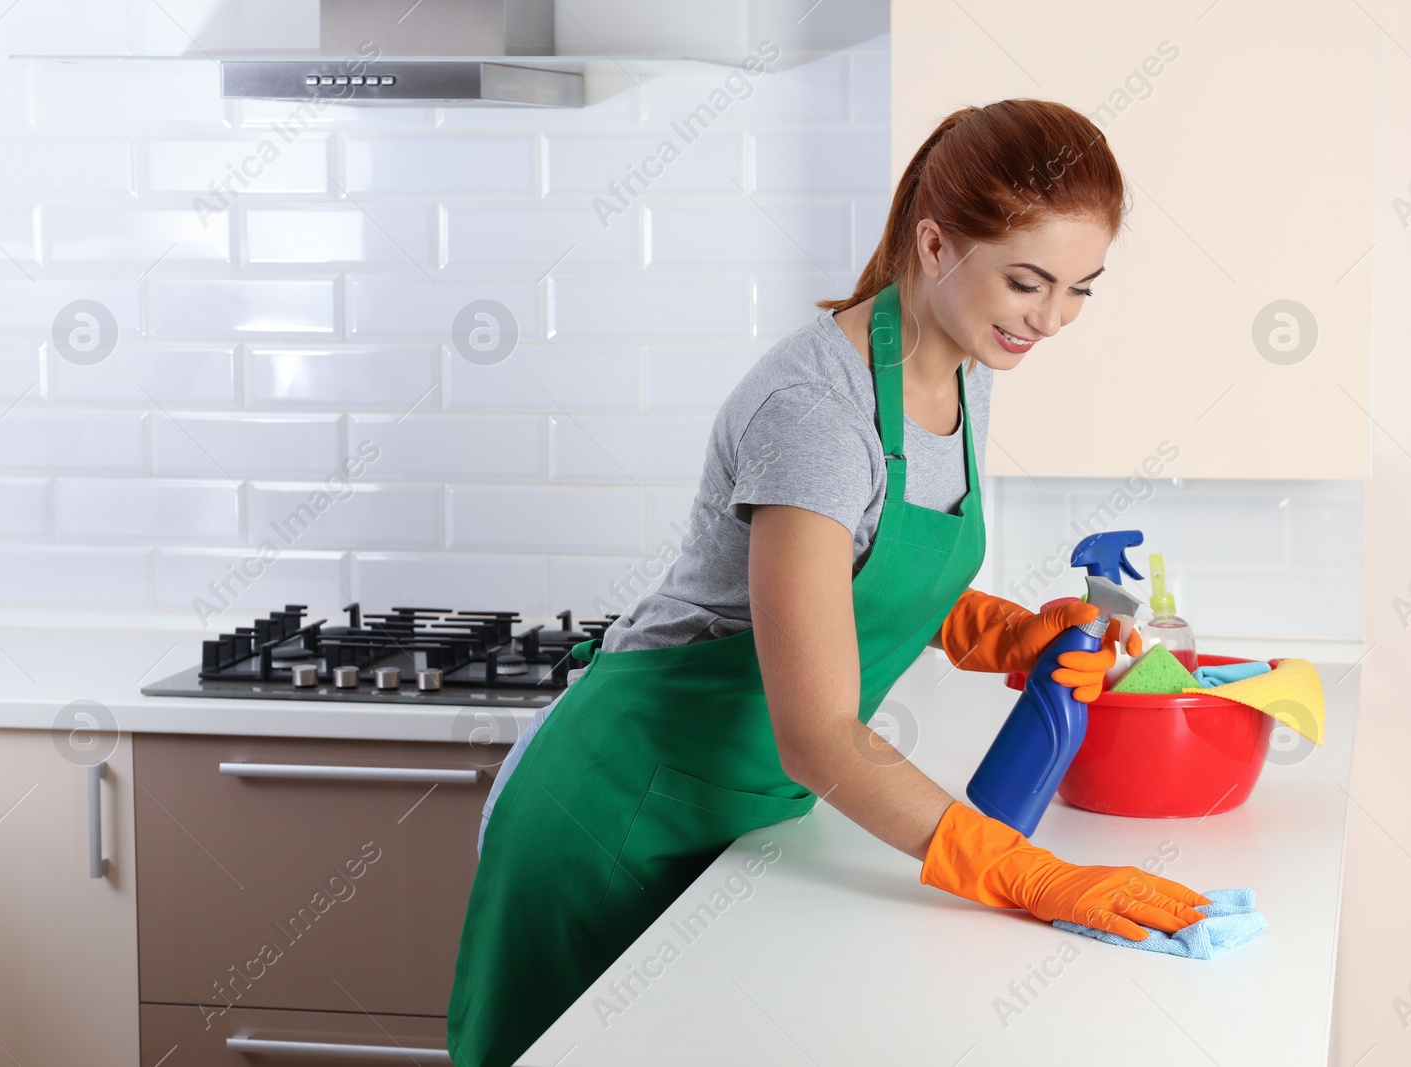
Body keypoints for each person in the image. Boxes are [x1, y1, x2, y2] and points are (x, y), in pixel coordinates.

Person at [447, 99, 1212, 1067]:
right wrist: (1025, 872)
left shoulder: (967, 365)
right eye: (1028, 282)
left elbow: (852, 574)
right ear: (935, 245)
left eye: (1080, 289)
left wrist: (996, 632)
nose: (1051, 319)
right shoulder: (816, 412)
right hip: (618, 808)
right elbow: (818, 736)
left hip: (745, 813)